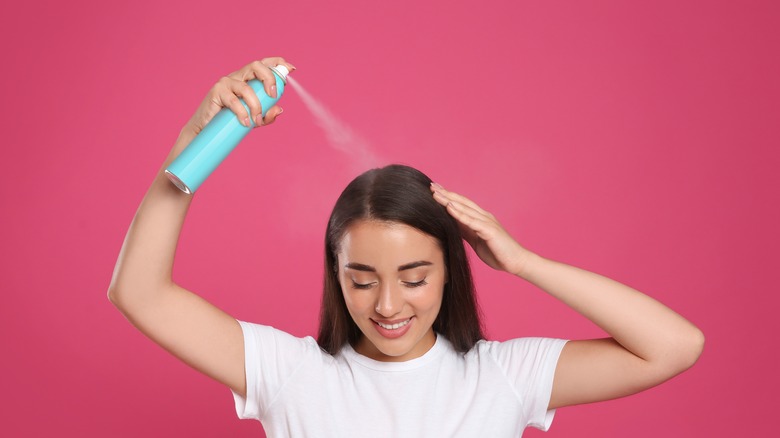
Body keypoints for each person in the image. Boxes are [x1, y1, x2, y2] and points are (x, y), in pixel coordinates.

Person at [108, 57, 704, 437]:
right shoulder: (288, 373)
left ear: (451, 272)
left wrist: (525, 263)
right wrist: (195, 141)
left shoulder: (502, 377)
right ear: (334, 274)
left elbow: (673, 346)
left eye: (414, 278)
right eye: (362, 279)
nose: (388, 305)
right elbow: (137, 292)